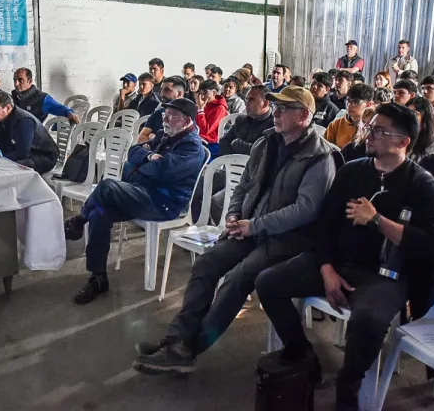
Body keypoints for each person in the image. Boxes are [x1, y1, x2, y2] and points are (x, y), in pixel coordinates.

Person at [133, 87, 341, 376]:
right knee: (207, 264)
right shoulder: (266, 142)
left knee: (238, 278)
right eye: (275, 107)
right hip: (251, 228)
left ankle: (190, 350)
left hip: (288, 240)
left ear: (304, 115)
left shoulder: (320, 158)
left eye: (284, 108)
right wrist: (233, 215)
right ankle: (177, 340)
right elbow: (244, 186)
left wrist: (253, 225)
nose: (276, 113)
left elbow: (305, 210)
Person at [256, 103, 434, 411]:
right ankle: (303, 354)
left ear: (403, 142)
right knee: (268, 282)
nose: (369, 134)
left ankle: (349, 384)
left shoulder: (421, 184)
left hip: (384, 275)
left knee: (370, 319)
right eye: (369, 127)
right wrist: (327, 269)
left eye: (379, 131)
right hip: (339, 262)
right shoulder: (352, 171)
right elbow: (325, 226)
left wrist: (378, 221)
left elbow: (432, 245)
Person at [64, 98, 207, 304]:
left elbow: (162, 170)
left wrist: (145, 165)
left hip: (163, 203)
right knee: (99, 214)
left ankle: (78, 221)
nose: (164, 119)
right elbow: (133, 151)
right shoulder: (165, 136)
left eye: (171, 115)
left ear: (186, 120)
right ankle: (98, 277)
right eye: (164, 114)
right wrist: (148, 158)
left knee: (107, 186)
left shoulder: (192, 147)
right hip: (142, 194)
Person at [192, 85, 275, 223]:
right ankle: (201, 227)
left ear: (265, 103)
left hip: (253, 177)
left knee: (217, 201)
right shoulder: (241, 120)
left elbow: (262, 152)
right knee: (198, 186)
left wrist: (238, 144)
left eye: (251, 99)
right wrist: (232, 157)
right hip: (230, 169)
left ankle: (228, 234)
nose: (246, 103)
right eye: (247, 99)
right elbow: (224, 142)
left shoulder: (273, 125)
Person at [0, 90, 59, 174]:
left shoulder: (23, 121)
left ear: (8, 107)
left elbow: (22, 153)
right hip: (24, 154)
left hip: (42, 157)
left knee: (7, 167)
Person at [11, 67, 80, 124]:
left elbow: (57, 107)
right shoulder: (12, 98)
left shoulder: (41, 99)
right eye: (15, 80)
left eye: (21, 80)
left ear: (30, 81)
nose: (16, 83)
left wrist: (69, 113)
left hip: (34, 136)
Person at [137, 76, 187, 144]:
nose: (161, 94)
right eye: (161, 90)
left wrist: (154, 139)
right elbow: (141, 137)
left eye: (167, 90)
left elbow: (176, 144)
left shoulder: (186, 117)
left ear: (179, 94)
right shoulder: (157, 114)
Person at [325, 84, 375, 149]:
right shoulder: (335, 125)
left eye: (356, 102)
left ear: (369, 104)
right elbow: (326, 149)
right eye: (348, 100)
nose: (349, 105)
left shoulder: (373, 126)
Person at [405, 96, 434, 163]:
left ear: (425, 117)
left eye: (415, 113)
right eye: (408, 113)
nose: (410, 117)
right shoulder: (401, 139)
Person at [195, 80, 229, 157]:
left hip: (211, 143)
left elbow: (205, 130)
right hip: (199, 138)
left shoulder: (220, 108)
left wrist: (200, 111)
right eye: (201, 93)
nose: (202, 97)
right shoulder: (203, 104)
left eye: (205, 93)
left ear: (214, 93)